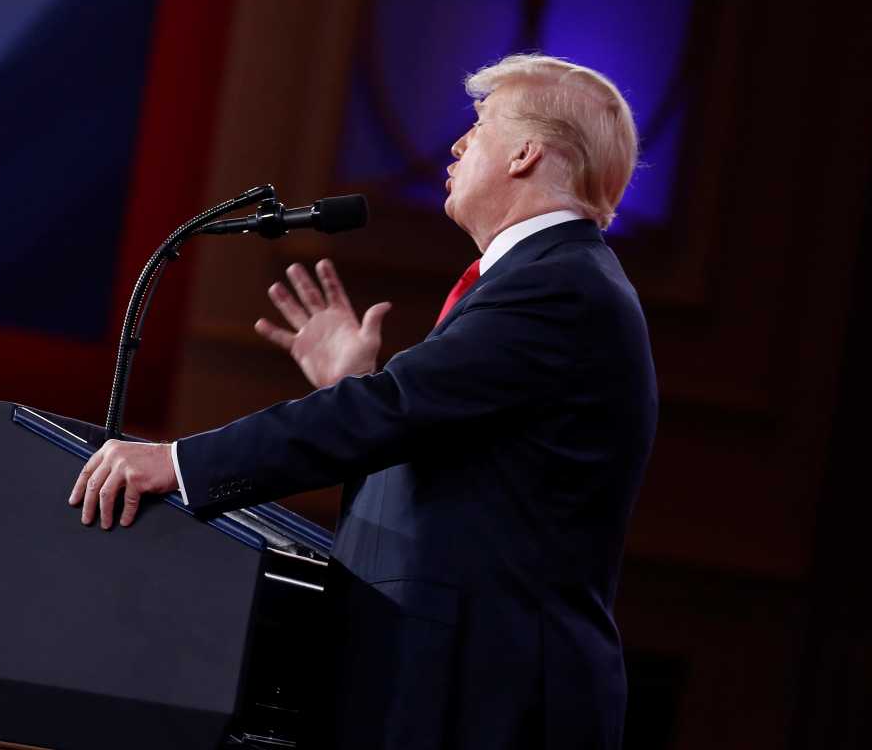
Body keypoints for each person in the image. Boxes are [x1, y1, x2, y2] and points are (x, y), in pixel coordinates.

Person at [68, 54, 657, 749]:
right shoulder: (548, 280)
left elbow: (394, 410)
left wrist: (177, 463)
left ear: (525, 152)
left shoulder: (561, 287)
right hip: (453, 685)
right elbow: (447, 453)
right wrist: (351, 385)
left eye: (479, 124)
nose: (459, 144)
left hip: (487, 697)